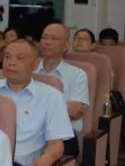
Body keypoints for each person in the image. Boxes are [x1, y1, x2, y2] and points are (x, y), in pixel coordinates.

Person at [0, 39, 72, 166]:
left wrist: (47, 158)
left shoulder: (51, 96)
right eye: (7, 57)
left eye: (19, 58)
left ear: (34, 65)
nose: (11, 63)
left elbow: (56, 143)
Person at [37, 23, 89, 157]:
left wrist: (34, 107)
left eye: (54, 39)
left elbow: (75, 112)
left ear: (66, 46)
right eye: (44, 37)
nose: (47, 42)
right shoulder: (29, 71)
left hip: (62, 134)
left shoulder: (77, 74)